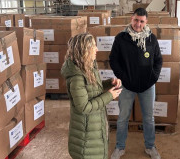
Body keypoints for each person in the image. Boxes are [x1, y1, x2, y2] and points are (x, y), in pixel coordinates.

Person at [109, 8, 163, 159]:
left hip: (147, 86)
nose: (138, 24)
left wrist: (153, 78)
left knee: (149, 118)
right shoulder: (121, 38)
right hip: (126, 86)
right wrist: (123, 77)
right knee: (123, 118)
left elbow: (158, 60)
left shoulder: (151, 39)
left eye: (141, 21)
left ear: (146, 22)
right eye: (136, 20)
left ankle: (150, 146)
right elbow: (113, 59)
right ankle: (120, 147)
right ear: (131, 19)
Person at [61, 33, 122, 159]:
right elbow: (84, 107)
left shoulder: (88, 68)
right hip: (86, 135)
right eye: (93, 46)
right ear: (84, 50)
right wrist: (109, 96)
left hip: (93, 128)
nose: (97, 49)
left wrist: (109, 83)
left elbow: (93, 89)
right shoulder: (77, 77)